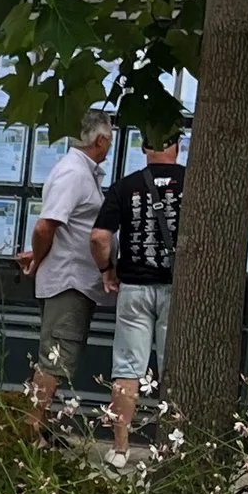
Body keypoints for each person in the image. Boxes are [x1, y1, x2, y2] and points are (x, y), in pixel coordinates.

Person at [91, 127, 186, 466]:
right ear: (177, 146)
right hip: (177, 290)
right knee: (173, 370)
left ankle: (120, 449)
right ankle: (170, 448)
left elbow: (99, 237)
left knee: (127, 369)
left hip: (133, 288)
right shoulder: (192, 183)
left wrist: (107, 270)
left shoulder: (125, 186)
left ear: (144, 147)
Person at [17, 111, 113, 425]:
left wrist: (40, 253)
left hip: (72, 279)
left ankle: (39, 429)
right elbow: (45, 226)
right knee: (56, 357)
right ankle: (31, 430)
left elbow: (60, 228)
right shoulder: (74, 173)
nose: (110, 146)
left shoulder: (80, 171)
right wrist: (39, 256)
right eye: (110, 139)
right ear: (100, 140)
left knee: (57, 355)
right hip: (69, 282)